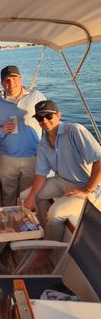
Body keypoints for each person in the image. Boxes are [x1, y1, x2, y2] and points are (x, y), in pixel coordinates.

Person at [23, 100, 101, 241]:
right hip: (61, 181)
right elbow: (41, 174)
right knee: (26, 198)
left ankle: (47, 251)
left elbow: (99, 161)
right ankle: (40, 233)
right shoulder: (43, 144)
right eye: (40, 118)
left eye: (48, 116)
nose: (44, 121)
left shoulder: (75, 131)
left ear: (59, 115)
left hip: (87, 186)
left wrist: (86, 189)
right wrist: (31, 198)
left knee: (55, 213)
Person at [0, 65, 45, 206]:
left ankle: (27, 224)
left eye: (14, 78)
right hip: (7, 159)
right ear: (1, 84)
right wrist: (1, 130)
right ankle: (10, 224)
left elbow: (50, 122)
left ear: (20, 79)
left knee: (27, 196)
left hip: (33, 158)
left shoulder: (36, 96)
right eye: (6, 80)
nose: (10, 83)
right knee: (8, 195)